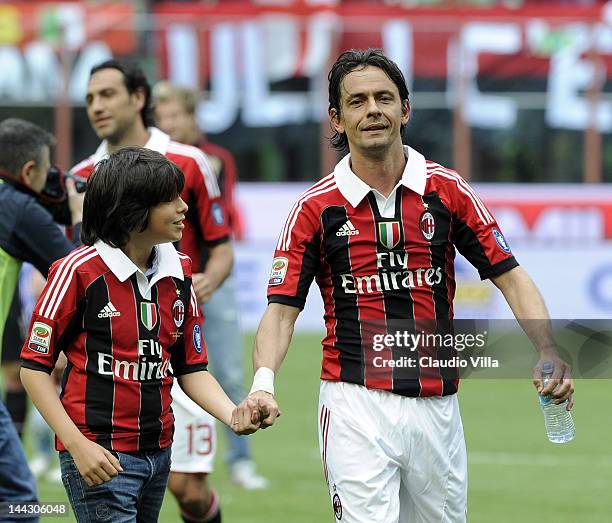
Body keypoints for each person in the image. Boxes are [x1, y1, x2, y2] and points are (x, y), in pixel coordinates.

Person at [240, 48, 575, 522]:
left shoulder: (448, 190)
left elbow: (511, 276)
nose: (372, 110)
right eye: (356, 102)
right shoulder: (315, 210)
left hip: (437, 406)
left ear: (405, 108)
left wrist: (547, 347)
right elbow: (280, 312)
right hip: (354, 402)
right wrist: (262, 384)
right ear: (336, 119)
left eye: (384, 98)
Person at [20, 147, 260, 523]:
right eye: (169, 199)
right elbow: (33, 369)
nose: (183, 207)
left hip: (159, 453)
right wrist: (76, 446)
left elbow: (191, 369)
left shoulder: (179, 269)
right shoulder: (76, 272)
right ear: (131, 211)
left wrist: (233, 414)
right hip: (100, 456)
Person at [70, 60, 233, 521]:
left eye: (108, 94)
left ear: (139, 98)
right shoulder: (82, 175)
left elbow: (221, 249)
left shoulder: (188, 161)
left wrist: (205, 282)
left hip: (174, 340)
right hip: (108, 352)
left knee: (189, 489)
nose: (97, 107)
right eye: (89, 99)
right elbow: (70, 260)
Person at [153, 81, 269, 491]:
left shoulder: (211, 160)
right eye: (161, 117)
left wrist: (212, 276)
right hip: (157, 286)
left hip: (208, 282)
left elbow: (218, 219)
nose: (168, 124)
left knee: (229, 370)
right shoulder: (148, 160)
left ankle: (240, 461)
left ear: (191, 117)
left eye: (174, 116)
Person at [0, 118, 83, 522]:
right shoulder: (15, 206)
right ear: (29, 171)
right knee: (19, 505)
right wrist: (79, 215)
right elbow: (80, 270)